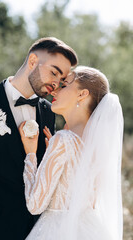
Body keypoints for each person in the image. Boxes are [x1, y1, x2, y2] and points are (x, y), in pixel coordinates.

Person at [0, 37, 77, 240]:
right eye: (54, 72)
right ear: (32, 62)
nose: (56, 84)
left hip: (36, 231)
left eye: (61, 79)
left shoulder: (49, 111)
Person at [19, 66, 124, 240]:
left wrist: (31, 155)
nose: (55, 90)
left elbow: (35, 205)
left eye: (65, 85)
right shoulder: (97, 145)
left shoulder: (64, 139)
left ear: (82, 94)